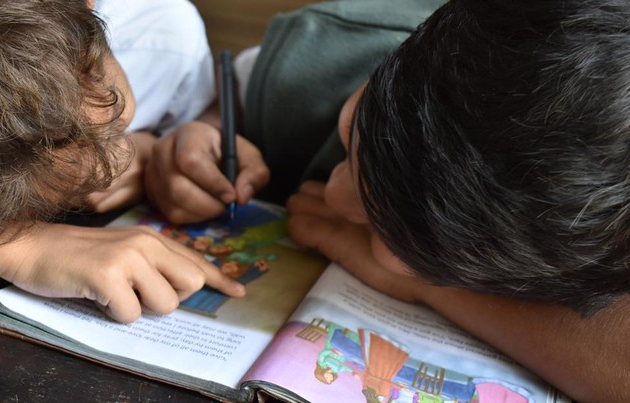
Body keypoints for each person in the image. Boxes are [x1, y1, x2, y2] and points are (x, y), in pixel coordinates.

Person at [144, 0, 630, 401]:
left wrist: (431, 289)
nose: (334, 194)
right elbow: (227, 95)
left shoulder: (600, 227)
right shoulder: (324, 53)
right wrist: (202, 130)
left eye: (385, 232)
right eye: (352, 130)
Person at [0, 0, 251, 324]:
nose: (112, 168)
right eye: (24, 200)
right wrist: (21, 250)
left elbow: (214, 106)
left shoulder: (164, 40)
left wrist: (184, 137)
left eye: (118, 128)